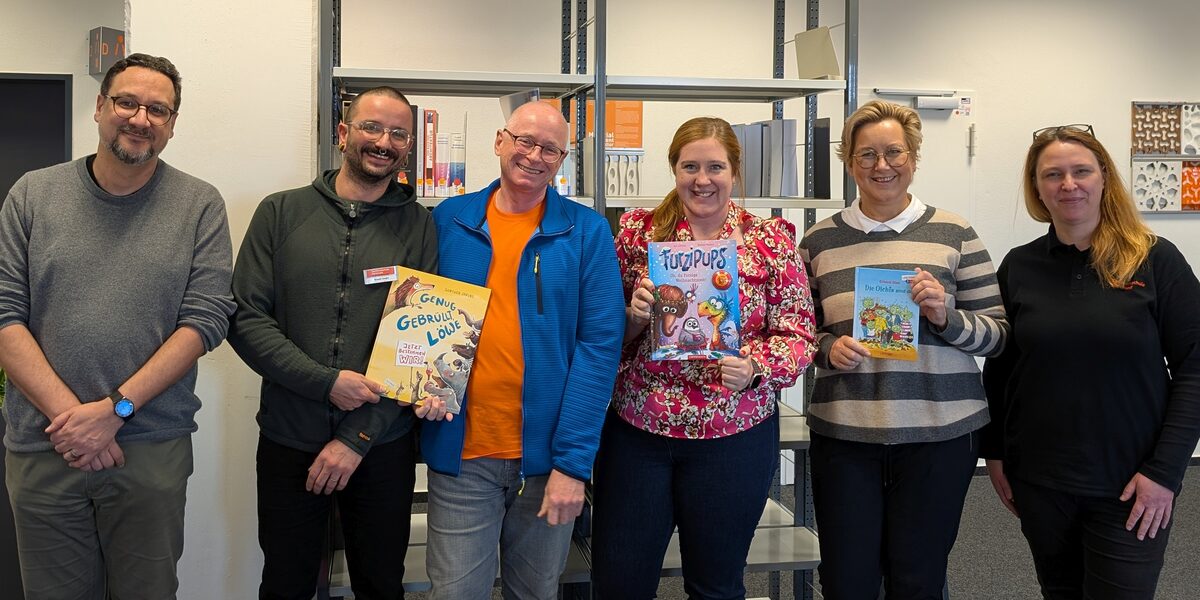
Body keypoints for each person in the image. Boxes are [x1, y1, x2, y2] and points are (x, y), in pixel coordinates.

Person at [0, 53, 234, 599]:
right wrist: (76, 421)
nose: (140, 118)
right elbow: (5, 315)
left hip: (149, 445)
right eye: (127, 102)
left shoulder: (199, 204)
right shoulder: (32, 194)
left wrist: (115, 412)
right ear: (101, 108)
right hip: (45, 443)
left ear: (172, 126)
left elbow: (203, 322)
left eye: (158, 109)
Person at [227, 86, 446, 600]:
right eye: (372, 127)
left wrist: (355, 439)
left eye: (398, 133)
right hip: (288, 440)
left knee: (380, 584)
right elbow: (245, 318)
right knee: (285, 582)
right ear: (344, 133)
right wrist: (326, 384)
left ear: (408, 147)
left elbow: (418, 346)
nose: (383, 141)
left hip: (380, 445)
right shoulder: (280, 213)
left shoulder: (420, 227)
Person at [590, 116, 817, 599]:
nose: (702, 179)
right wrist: (633, 315)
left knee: (716, 585)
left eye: (715, 167)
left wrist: (757, 367)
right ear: (674, 169)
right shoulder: (637, 231)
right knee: (619, 583)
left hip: (732, 435)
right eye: (689, 166)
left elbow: (799, 332)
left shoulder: (769, 240)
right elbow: (601, 330)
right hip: (640, 432)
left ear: (735, 172)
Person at [797, 100, 1008, 599]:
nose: (882, 166)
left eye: (895, 152)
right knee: (847, 582)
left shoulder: (955, 233)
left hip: (940, 438)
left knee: (918, 579)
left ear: (914, 157)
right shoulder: (818, 240)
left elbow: (998, 335)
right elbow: (796, 334)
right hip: (847, 436)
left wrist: (945, 317)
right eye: (866, 154)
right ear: (849, 161)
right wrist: (828, 348)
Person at [981, 124, 1200, 599]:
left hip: (1131, 483)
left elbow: (1195, 369)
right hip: (1041, 481)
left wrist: (1165, 472)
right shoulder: (1019, 267)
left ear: (1104, 178)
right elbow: (1001, 366)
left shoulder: (1155, 260)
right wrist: (994, 452)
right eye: (1052, 174)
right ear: (1037, 188)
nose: (1068, 184)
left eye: (1081, 171)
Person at [420, 100, 624, 599]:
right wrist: (421, 383)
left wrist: (574, 465)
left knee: (534, 592)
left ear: (562, 159)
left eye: (550, 148)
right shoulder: (448, 220)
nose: (534, 155)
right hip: (463, 451)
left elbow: (600, 348)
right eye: (524, 141)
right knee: (452, 594)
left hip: (547, 459)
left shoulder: (586, 231)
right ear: (499, 141)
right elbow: (422, 318)